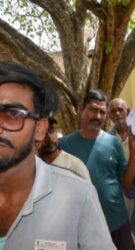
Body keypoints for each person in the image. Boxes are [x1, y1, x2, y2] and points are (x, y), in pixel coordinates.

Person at [0, 61, 115, 249]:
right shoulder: (69, 141)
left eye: (12, 114)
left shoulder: (78, 196)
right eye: (93, 109)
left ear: (39, 129)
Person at [60, 89, 135, 250]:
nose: (97, 116)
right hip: (83, 226)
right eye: (93, 110)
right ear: (81, 109)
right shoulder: (64, 145)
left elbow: (126, 183)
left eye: (102, 112)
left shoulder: (113, 143)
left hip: (117, 221)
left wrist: (134, 153)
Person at [36, 117, 91, 182]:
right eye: (43, 132)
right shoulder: (31, 167)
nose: (50, 138)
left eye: (51, 130)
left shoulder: (75, 166)